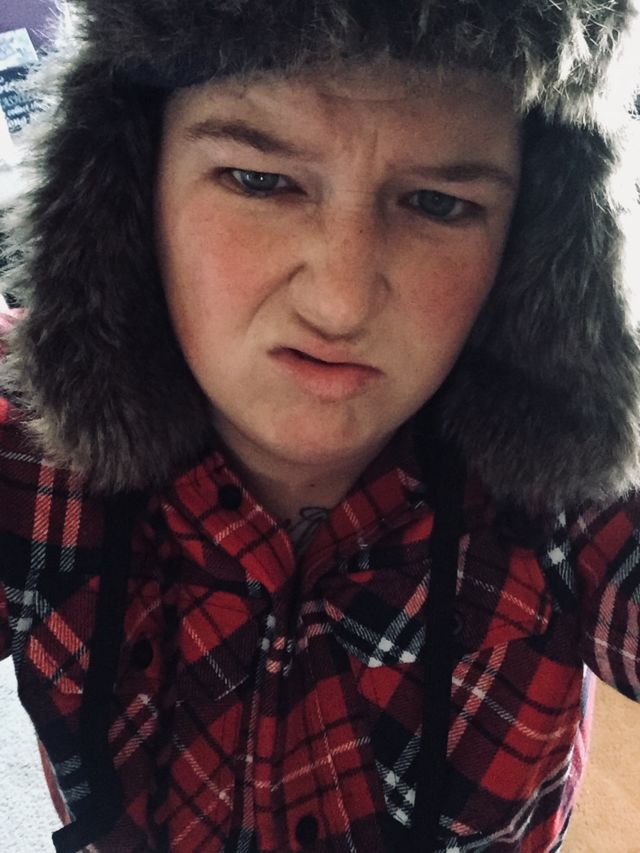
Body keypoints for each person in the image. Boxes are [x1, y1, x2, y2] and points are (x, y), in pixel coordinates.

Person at [0, 1, 639, 851]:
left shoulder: (569, 489)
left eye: (437, 204)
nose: (340, 301)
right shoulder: (30, 450)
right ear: (130, 192)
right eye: (260, 181)